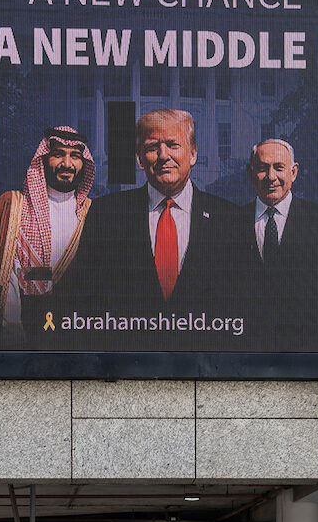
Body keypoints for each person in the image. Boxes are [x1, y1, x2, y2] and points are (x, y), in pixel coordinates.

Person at [64, 109, 254, 346]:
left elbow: (246, 308)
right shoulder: (106, 214)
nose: (164, 155)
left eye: (173, 145)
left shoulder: (230, 220)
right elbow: (84, 301)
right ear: (140, 159)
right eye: (153, 147)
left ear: (193, 154)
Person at [0, 126, 96, 344]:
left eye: (75, 156)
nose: (67, 164)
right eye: (58, 154)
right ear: (42, 159)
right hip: (24, 328)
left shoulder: (93, 213)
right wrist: (13, 336)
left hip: (77, 329)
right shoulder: (14, 208)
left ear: (84, 163)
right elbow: (5, 277)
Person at [241, 139, 318, 350]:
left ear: (294, 172)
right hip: (249, 351)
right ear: (251, 172)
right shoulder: (233, 221)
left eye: (279, 168)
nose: (271, 177)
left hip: (307, 350)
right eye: (262, 168)